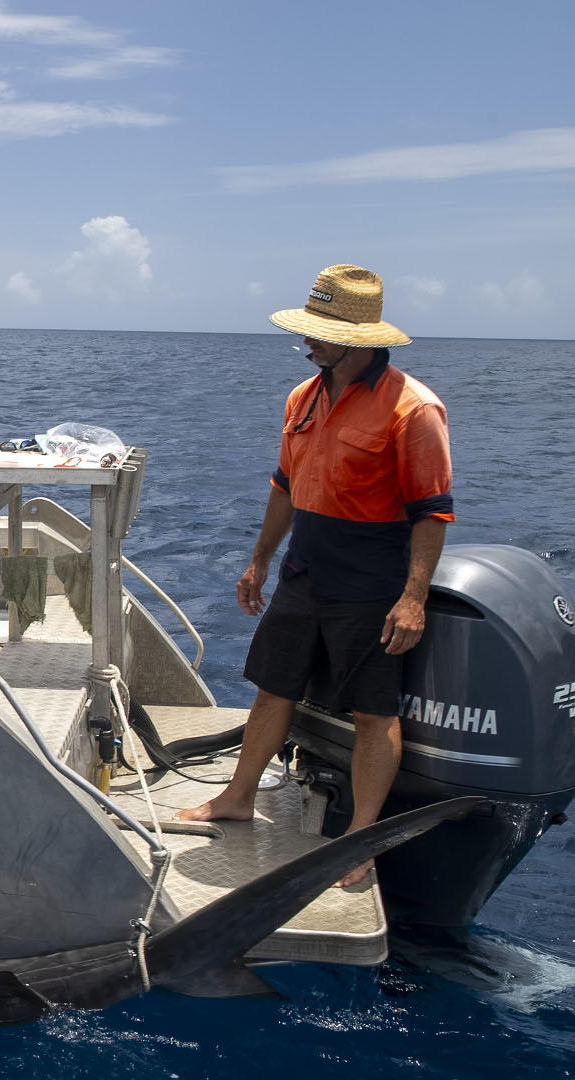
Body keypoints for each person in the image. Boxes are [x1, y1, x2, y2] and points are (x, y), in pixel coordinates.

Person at [177, 264, 453, 888]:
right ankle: (237, 797)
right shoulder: (302, 397)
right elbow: (284, 487)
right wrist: (259, 561)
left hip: (371, 579)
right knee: (273, 688)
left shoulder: (413, 410)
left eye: (324, 330)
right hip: (304, 569)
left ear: (363, 337)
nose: (310, 340)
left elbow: (433, 513)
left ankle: (361, 840)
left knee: (372, 712)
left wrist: (412, 598)